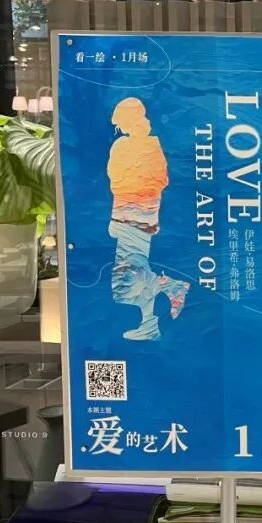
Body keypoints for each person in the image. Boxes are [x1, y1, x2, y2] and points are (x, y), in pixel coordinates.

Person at [107, 97, 189, 341]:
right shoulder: (153, 146)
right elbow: (161, 181)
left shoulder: (123, 147)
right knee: (136, 272)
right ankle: (150, 324)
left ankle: (170, 287)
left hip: (128, 219)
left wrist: (117, 218)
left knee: (125, 279)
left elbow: (118, 184)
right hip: (145, 217)